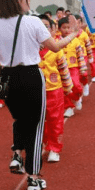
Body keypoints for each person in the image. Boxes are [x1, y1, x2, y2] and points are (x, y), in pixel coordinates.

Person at [0, 0, 80, 190]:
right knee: (36, 128)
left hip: (6, 77)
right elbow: (55, 47)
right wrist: (74, 34)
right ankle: (33, 177)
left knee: (21, 120)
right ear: (19, 0)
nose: (29, 0)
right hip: (30, 75)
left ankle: (17, 154)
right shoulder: (33, 22)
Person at [38, 15, 73, 163]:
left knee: (55, 120)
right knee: (38, 121)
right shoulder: (29, 50)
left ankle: (54, 148)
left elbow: (63, 69)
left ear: (53, 30)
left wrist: (67, 88)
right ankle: (43, 143)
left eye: (46, 26)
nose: (42, 29)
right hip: (35, 92)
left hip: (54, 91)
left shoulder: (57, 49)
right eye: (39, 26)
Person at [57, 16, 87, 118]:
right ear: (59, 29)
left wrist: (83, 68)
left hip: (73, 68)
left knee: (76, 86)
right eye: (64, 27)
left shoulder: (76, 41)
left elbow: (80, 56)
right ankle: (69, 107)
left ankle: (77, 98)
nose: (66, 30)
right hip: (61, 69)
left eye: (68, 27)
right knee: (65, 89)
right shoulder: (56, 42)